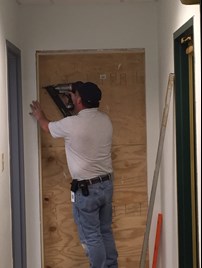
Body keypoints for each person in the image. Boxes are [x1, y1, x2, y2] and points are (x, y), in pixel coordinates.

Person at [30, 81, 118, 268]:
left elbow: (47, 126)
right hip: (106, 185)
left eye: (74, 94)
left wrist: (40, 115)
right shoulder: (105, 120)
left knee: (92, 236)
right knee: (105, 231)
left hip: (88, 191)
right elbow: (83, 126)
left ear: (78, 99)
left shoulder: (71, 124)